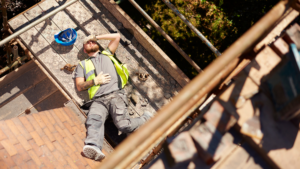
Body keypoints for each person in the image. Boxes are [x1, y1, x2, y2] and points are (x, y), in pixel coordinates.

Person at [73, 33, 152, 161]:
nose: (91, 43)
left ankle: (145, 119)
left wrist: (95, 37)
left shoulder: (107, 54)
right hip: (98, 100)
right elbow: (79, 86)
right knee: (93, 119)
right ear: (84, 50)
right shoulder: (82, 65)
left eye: (93, 42)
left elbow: (117, 37)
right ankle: (94, 146)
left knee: (123, 125)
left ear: (97, 45)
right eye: (87, 43)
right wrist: (95, 81)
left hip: (115, 95)